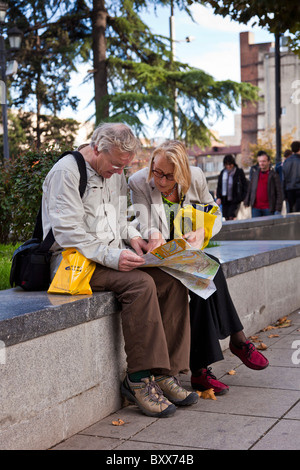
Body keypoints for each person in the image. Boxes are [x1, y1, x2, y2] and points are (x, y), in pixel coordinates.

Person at [41, 123, 198, 419]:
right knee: (140, 285)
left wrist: (138, 235)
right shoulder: (67, 172)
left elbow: (120, 215)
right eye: (114, 165)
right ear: (97, 148)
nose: (118, 172)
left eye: (123, 167)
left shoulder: (114, 169)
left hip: (108, 256)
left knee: (172, 280)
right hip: (73, 264)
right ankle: (138, 379)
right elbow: (68, 233)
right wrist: (113, 256)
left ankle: (166, 373)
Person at [128, 140, 269, 396]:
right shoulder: (139, 181)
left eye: (168, 176)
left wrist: (203, 230)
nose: (159, 179)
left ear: (181, 173)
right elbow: (143, 221)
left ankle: (202, 371)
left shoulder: (196, 177)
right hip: (158, 257)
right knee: (208, 273)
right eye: (156, 171)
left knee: (207, 277)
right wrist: (154, 234)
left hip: (185, 252)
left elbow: (213, 212)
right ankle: (234, 343)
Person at [244, 151, 283, 217]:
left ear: (269, 162)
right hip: (255, 208)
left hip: (269, 209)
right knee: (256, 227)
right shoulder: (255, 174)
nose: (261, 163)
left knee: (269, 227)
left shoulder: (274, 175)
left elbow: (279, 193)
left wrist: (278, 208)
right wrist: (246, 201)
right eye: (260, 161)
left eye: (264, 161)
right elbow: (250, 189)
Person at [216, 154, 248, 220]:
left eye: (230, 164)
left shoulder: (239, 172)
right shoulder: (223, 173)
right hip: (225, 199)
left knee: (232, 216)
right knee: (226, 217)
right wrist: (218, 197)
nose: (228, 166)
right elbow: (219, 186)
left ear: (233, 164)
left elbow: (245, 185)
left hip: (235, 198)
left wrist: (243, 196)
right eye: (226, 165)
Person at [282, 141, 300, 213]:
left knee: (291, 213)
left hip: (289, 190)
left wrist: (284, 193)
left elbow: (283, 178)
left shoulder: (286, 161)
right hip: (299, 188)